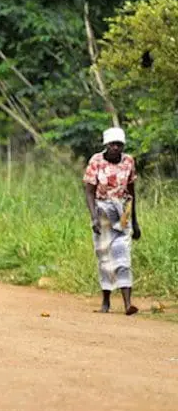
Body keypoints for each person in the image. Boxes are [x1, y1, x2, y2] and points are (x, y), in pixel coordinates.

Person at [83, 127, 140, 315]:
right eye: (113, 144)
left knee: (123, 254)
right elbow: (89, 192)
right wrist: (94, 218)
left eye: (119, 145)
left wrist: (136, 222)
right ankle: (106, 302)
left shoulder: (129, 162)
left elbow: (132, 191)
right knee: (105, 255)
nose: (116, 148)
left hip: (123, 211)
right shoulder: (96, 162)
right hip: (103, 210)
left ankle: (127, 304)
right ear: (106, 145)